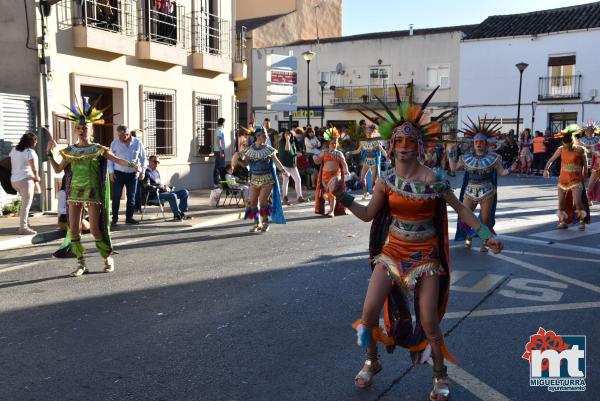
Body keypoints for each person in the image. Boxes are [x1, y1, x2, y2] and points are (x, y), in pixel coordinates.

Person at [329, 87, 503, 400]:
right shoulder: (386, 181)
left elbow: (461, 208)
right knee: (368, 314)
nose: (404, 147)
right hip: (393, 252)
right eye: (398, 141)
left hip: (426, 256)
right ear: (391, 145)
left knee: (429, 322)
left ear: (419, 146)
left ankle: (439, 375)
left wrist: (485, 235)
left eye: (410, 142)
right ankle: (371, 361)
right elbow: (369, 215)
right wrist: (341, 195)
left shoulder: (434, 180)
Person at [47, 100, 142, 276]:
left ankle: (107, 257)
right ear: (76, 130)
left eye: (85, 128)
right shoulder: (70, 150)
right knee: (73, 228)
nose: (82, 131)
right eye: (79, 128)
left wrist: (132, 164)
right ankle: (81, 264)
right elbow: (58, 169)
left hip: (93, 192)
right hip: (74, 192)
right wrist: (49, 154)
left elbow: (116, 160)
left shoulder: (98, 149)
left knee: (94, 229)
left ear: (91, 130)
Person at [453, 117, 509, 251]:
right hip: (470, 190)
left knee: (484, 221)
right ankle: (468, 236)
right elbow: (454, 168)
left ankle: (485, 240)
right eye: (476, 141)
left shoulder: (493, 158)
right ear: (473, 143)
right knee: (466, 217)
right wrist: (450, 154)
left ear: (486, 144)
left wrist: (512, 167)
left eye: (481, 142)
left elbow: (502, 172)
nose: (478, 144)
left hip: (487, 191)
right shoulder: (465, 158)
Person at [544, 126, 590, 230]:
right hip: (563, 180)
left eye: (567, 144)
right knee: (561, 203)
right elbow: (551, 160)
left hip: (576, 179)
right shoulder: (561, 149)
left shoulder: (580, 149)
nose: (565, 145)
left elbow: (585, 161)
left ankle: (581, 221)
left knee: (578, 202)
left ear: (572, 142)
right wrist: (546, 169)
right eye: (564, 144)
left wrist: (586, 173)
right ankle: (562, 222)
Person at [243, 128, 289, 232]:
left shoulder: (268, 149)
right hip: (254, 179)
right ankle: (256, 223)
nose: (266, 137)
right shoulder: (250, 149)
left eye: (266, 136)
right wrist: (238, 157)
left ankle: (265, 222)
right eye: (264, 136)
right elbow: (245, 163)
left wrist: (284, 171)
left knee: (262, 201)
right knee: (253, 202)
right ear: (258, 137)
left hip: (267, 179)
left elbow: (276, 161)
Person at [109, 125, 146, 225]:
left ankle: (129, 218)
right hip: (118, 174)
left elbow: (143, 159)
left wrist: (143, 171)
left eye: (122, 136)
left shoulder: (137, 143)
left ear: (127, 134)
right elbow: (110, 159)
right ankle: (114, 219)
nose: (120, 138)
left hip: (133, 175)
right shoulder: (115, 143)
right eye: (118, 136)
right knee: (116, 196)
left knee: (131, 196)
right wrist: (111, 172)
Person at [9, 132, 41, 235]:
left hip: (14, 180)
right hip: (25, 181)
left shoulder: (14, 150)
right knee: (26, 205)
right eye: (35, 141)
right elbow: (34, 168)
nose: (36, 143)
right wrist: (37, 177)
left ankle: (25, 223)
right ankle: (23, 228)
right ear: (32, 141)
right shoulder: (29, 152)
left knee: (24, 203)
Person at [313, 127, 349, 217]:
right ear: (329, 144)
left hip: (335, 175)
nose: (334, 145)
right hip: (324, 176)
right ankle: (332, 209)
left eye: (335, 143)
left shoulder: (339, 153)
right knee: (329, 193)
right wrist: (314, 157)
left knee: (332, 192)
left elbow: (344, 163)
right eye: (332, 143)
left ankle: (332, 211)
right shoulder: (324, 152)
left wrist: (346, 171)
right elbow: (317, 161)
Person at [144, 155, 190, 221]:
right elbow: (147, 186)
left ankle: (181, 213)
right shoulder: (146, 172)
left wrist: (165, 186)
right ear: (150, 162)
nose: (157, 164)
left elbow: (159, 183)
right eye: (155, 162)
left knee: (185, 192)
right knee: (172, 195)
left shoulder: (156, 172)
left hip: (162, 192)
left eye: (158, 162)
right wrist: (161, 188)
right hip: (153, 195)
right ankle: (177, 215)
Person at [346, 124, 387, 199]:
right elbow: (358, 151)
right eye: (367, 133)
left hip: (374, 161)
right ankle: (365, 193)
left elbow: (383, 151)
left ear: (372, 133)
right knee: (362, 178)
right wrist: (350, 152)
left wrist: (388, 158)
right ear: (365, 133)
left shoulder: (376, 142)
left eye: (370, 133)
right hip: (367, 161)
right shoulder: (363, 142)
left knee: (374, 179)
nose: (368, 134)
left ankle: (376, 195)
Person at [278, 128, 308, 205]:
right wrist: (287, 140)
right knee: (286, 181)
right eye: (286, 134)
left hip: (293, 164)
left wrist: (297, 154)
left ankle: (299, 197)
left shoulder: (293, 142)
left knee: (298, 180)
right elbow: (287, 150)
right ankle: (285, 198)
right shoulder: (282, 142)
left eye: (289, 134)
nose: (288, 135)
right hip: (285, 164)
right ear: (284, 135)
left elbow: (293, 152)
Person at [584, 121, 600, 202]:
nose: (588, 133)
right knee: (591, 185)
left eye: (590, 131)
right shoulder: (595, 140)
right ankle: (589, 200)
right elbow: (591, 151)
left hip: (596, 164)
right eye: (587, 131)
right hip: (596, 166)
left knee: (591, 185)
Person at [213, 118, 226, 187]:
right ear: (223, 123)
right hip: (219, 150)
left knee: (217, 167)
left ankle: (216, 183)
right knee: (221, 167)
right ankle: (223, 184)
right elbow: (218, 141)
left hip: (216, 150)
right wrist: (221, 151)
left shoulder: (217, 130)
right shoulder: (220, 130)